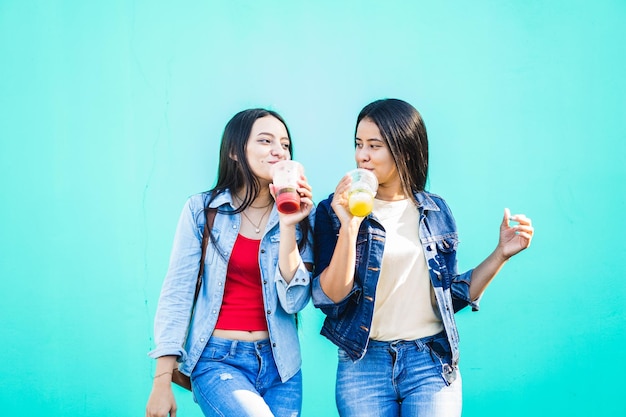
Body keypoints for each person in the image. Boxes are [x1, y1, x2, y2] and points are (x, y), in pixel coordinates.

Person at [312, 98, 534, 417]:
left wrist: (501, 254)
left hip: (429, 360)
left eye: (374, 145)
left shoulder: (436, 211)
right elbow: (330, 300)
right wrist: (349, 226)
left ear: (405, 150)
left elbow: (451, 296)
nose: (362, 155)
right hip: (363, 363)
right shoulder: (332, 211)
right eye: (359, 144)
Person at [146, 108, 315, 417]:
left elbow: (294, 302)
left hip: (283, 367)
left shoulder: (303, 216)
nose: (279, 150)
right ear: (236, 151)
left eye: (285, 144)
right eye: (266, 141)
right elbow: (177, 293)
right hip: (218, 360)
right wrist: (161, 382)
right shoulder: (202, 211)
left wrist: (289, 223)